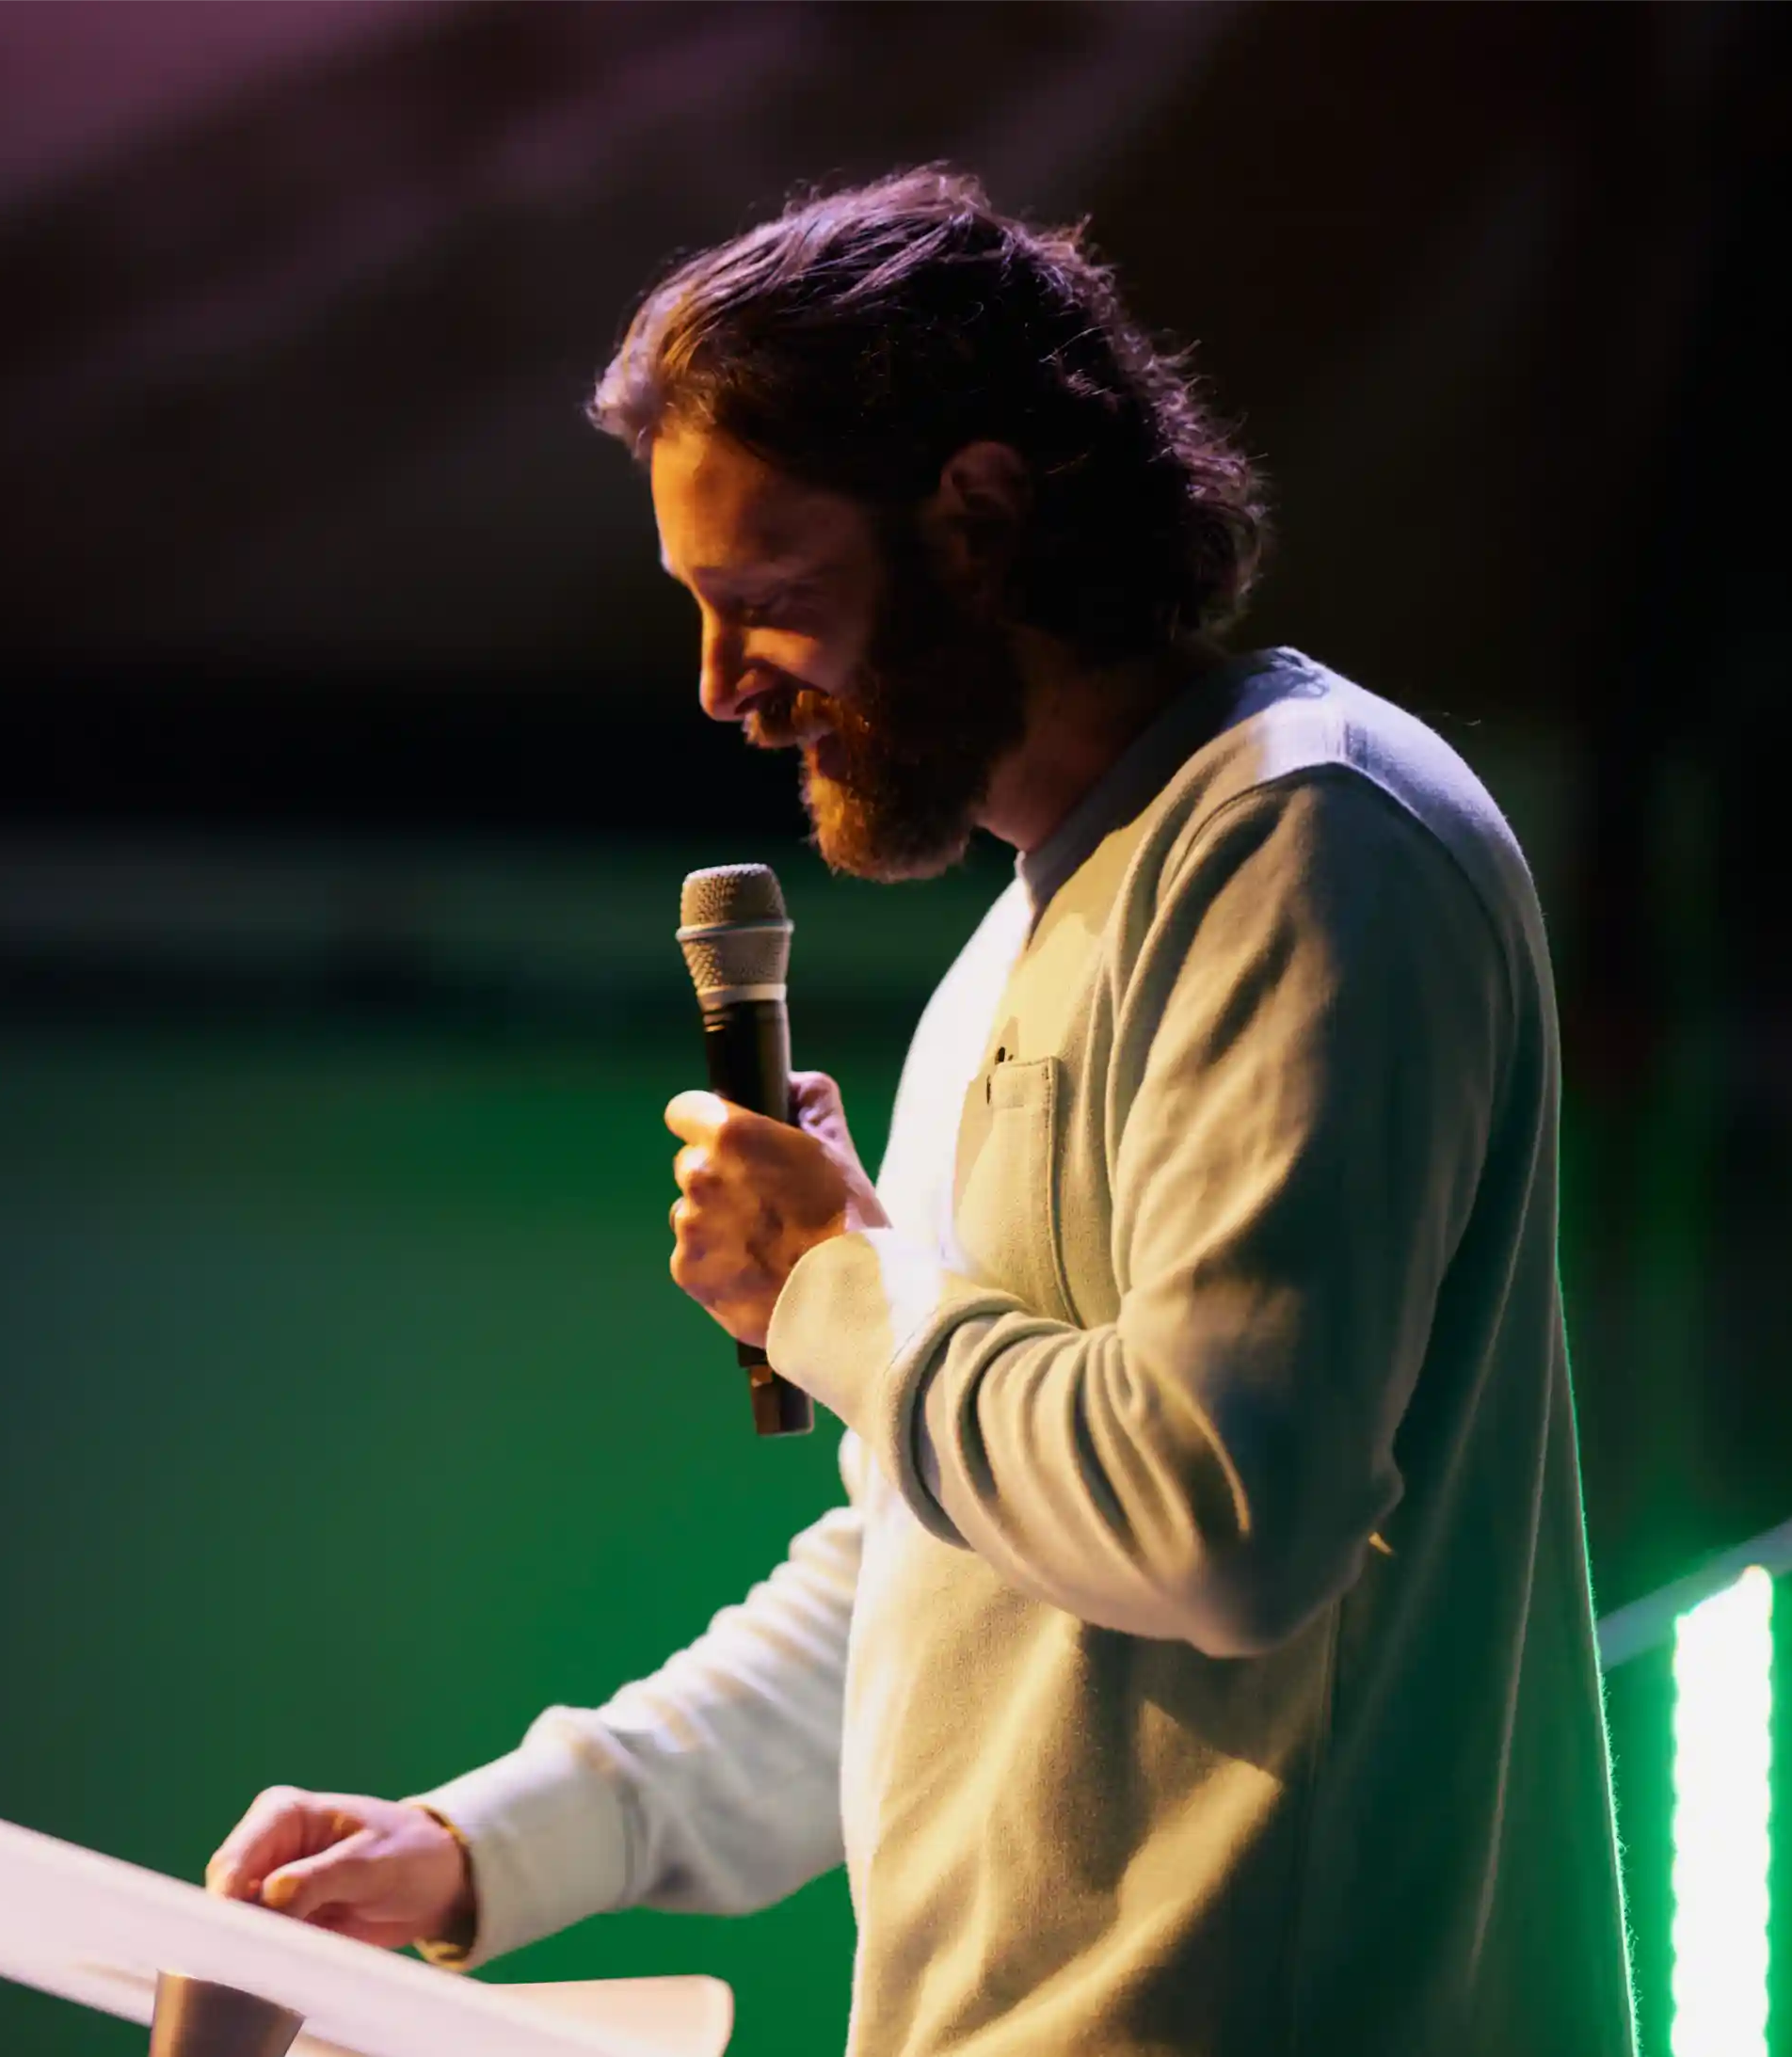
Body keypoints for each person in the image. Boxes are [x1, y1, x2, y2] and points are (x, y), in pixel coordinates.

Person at [202, 167, 1637, 2056]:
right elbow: (937, 1574)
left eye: (767, 604)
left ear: (975, 520)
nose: (722, 689)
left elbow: (1223, 1511)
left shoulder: (1309, 837)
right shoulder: (1020, 946)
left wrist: (838, 1287)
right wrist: (482, 1845)